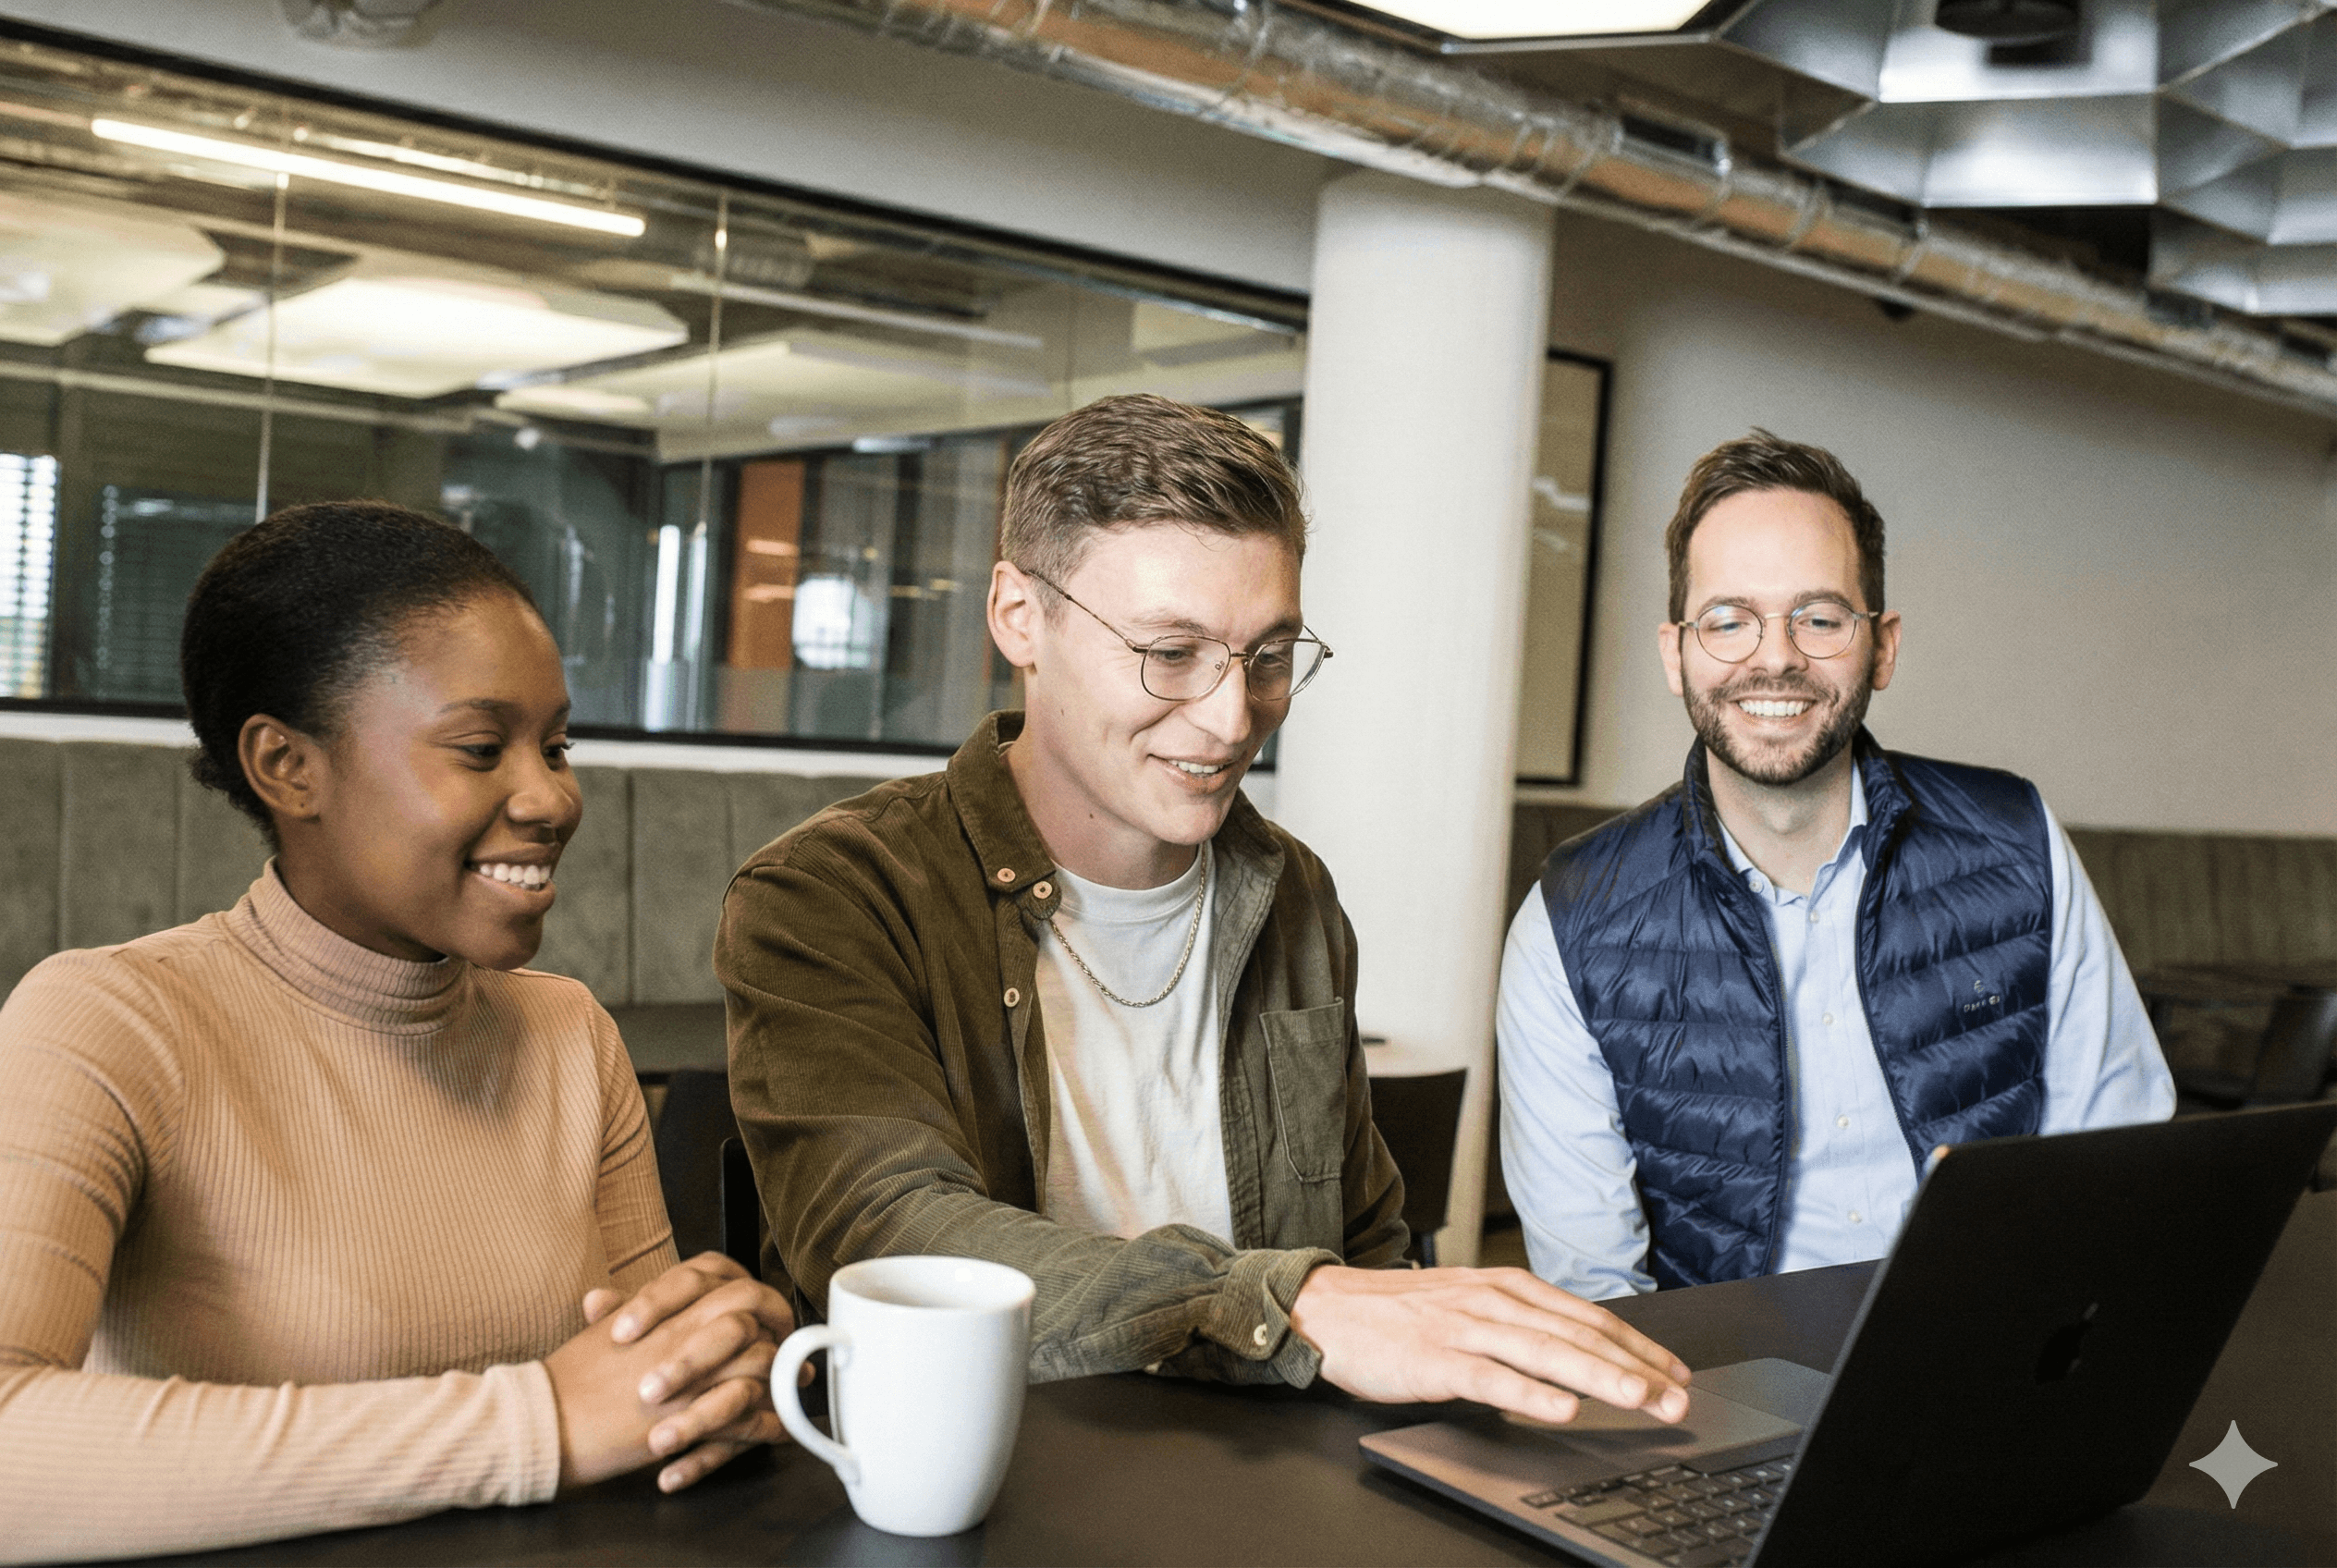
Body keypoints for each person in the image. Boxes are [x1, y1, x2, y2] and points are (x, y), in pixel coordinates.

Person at [719, 394, 1689, 1427]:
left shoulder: (1293, 892)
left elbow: (1365, 1245)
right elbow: (892, 1237)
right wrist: (1280, 1304)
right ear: (1018, 617)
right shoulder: (829, 896)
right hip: (986, 1474)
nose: (1233, 720)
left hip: (1273, 1479)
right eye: (1169, 653)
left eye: (1269, 656)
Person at [0, 503, 794, 1562]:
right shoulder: (105, 1022)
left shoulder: (568, 1032)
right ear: (288, 766)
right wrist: (535, 1423)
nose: (552, 797)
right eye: (481, 748)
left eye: (556, 746)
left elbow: (644, 1395)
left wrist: (718, 1371)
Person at [1498, 431, 2175, 1299]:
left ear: (1882, 646)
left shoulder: (2019, 841)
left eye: (1819, 618)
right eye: (1729, 620)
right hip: (1719, 1376)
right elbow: (1597, 1290)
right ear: (1676, 653)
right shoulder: (1571, 918)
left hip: (1990, 1347)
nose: (1776, 656)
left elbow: (2117, 1171)